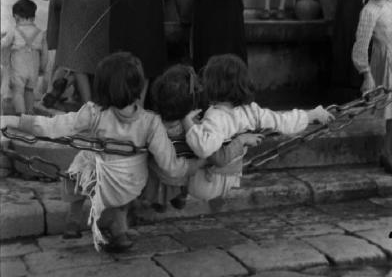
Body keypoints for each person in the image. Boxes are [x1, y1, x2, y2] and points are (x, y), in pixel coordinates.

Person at [0, 52, 202, 251]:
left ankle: (73, 219)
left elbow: (52, 126)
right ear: (140, 88)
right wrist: (199, 163)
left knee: (81, 163)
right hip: (130, 185)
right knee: (114, 170)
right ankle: (119, 230)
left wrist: (14, 120)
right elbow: (171, 167)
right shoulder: (151, 122)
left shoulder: (94, 113)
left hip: (100, 182)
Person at [182, 54, 333, 198]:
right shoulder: (251, 112)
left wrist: (189, 123)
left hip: (207, 183)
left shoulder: (216, 117)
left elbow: (204, 147)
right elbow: (283, 121)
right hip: (230, 178)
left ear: (212, 85)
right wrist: (312, 115)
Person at [144, 64, 262, 208]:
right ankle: (179, 195)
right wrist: (242, 140)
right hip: (183, 174)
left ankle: (163, 199)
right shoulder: (194, 129)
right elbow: (219, 157)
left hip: (157, 175)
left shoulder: (151, 123)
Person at [352, 0, 392, 173]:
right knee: (390, 115)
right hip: (386, 65)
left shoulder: (390, 2)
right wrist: (366, 74)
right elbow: (360, 45)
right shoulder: (369, 11)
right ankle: (387, 155)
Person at [1, 0, 48, 114]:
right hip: (33, 70)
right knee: (29, 91)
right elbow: (45, 54)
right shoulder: (40, 33)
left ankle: (21, 115)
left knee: (17, 92)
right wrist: (42, 67)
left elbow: (3, 44)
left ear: (16, 16)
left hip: (18, 70)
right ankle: (30, 113)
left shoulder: (14, 31)